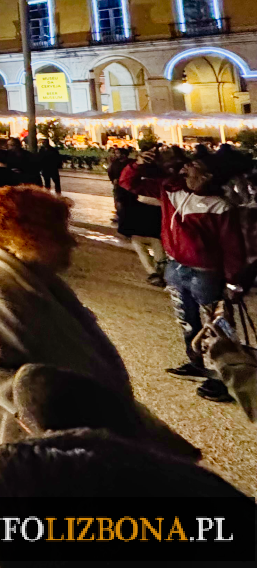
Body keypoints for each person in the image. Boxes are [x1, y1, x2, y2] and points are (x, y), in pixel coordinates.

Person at [0, 185, 183, 495]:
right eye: (57, 233)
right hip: (29, 450)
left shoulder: (30, 277)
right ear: (26, 237)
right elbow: (11, 386)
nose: (71, 242)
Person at [120, 153, 245, 403]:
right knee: (187, 321)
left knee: (218, 326)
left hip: (205, 273)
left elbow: (232, 248)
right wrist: (138, 164)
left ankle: (225, 377)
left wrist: (233, 282)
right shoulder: (170, 191)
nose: (185, 167)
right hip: (176, 269)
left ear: (208, 176)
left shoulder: (219, 205)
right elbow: (128, 183)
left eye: (193, 165)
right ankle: (198, 364)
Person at [115, 150, 166, 286]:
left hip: (142, 216)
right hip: (154, 216)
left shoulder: (139, 181)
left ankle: (154, 272)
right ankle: (158, 270)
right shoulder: (163, 177)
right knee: (155, 244)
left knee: (142, 245)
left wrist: (137, 165)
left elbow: (125, 182)